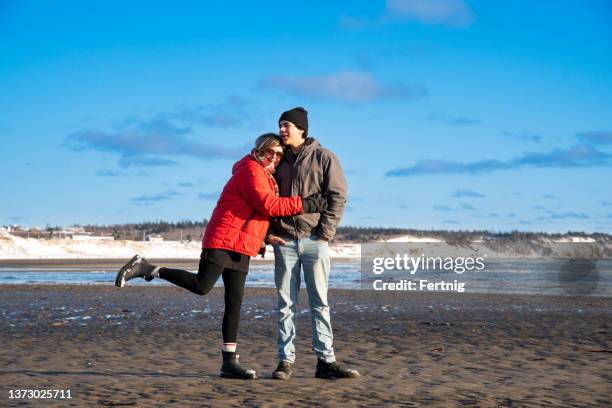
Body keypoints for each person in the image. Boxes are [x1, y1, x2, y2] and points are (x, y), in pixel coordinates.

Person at [114, 133, 327, 380]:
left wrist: (265, 237)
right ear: (259, 150)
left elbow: (257, 213)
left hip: (243, 244)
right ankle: (148, 268)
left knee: (234, 303)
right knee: (201, 286)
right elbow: (268, 206)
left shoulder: (267, 177)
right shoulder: (251, 170)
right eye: (271, 151)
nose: (275, 157)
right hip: (224, 238)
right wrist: (310, 204)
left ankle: (229, 363)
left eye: (279, 154)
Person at [266, 107, 360, 380]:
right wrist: (269, 233)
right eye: (280, 125)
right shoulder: (277, 161)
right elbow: (265, 200)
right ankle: (285, 361)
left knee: (320, 303)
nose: (282, 130)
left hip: (314, 241)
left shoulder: (324, 157)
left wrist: (325, 233)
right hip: (284, 241)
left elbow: (338, 196)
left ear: (301, 129)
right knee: (285, 303)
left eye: (286, 125)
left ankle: (326, 361)